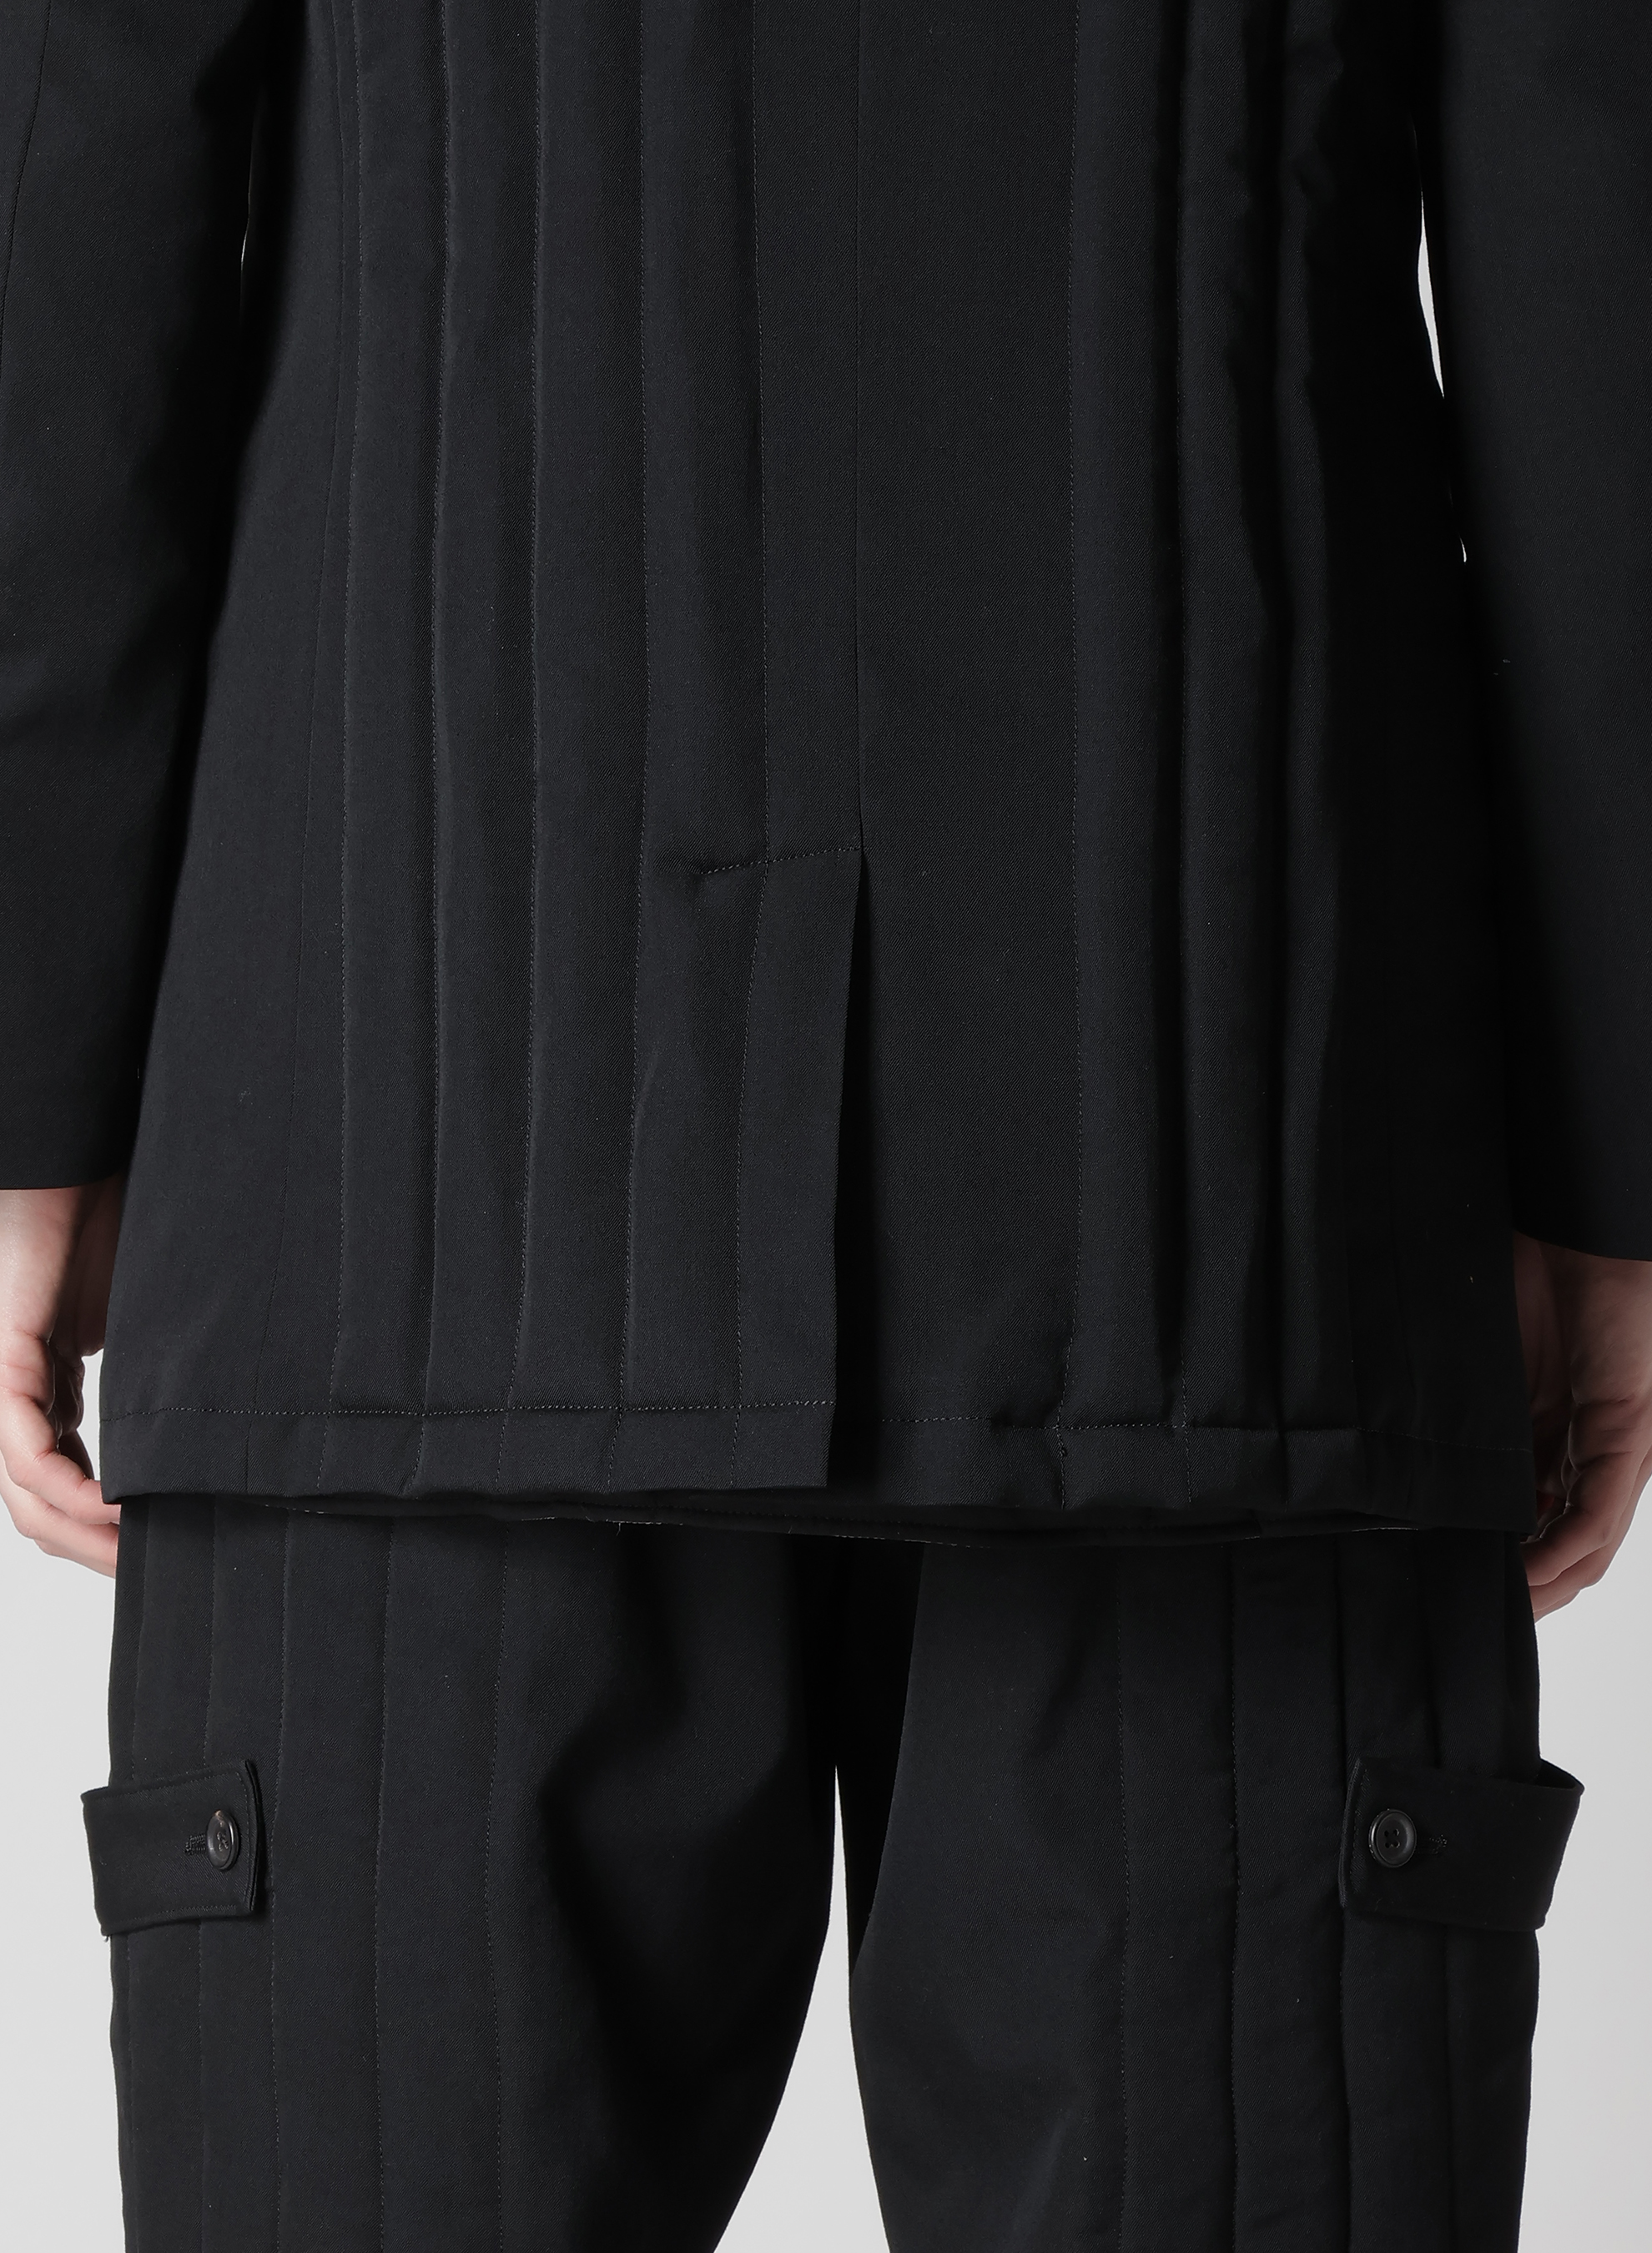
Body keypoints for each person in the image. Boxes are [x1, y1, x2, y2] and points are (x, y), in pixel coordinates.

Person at [2, 0, 1648, 2245]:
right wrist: (1605, 1144)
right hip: (1230, 1177)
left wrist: (42, 1074)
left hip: (412, 1139)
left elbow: (72, 174)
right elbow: (1599, 207)